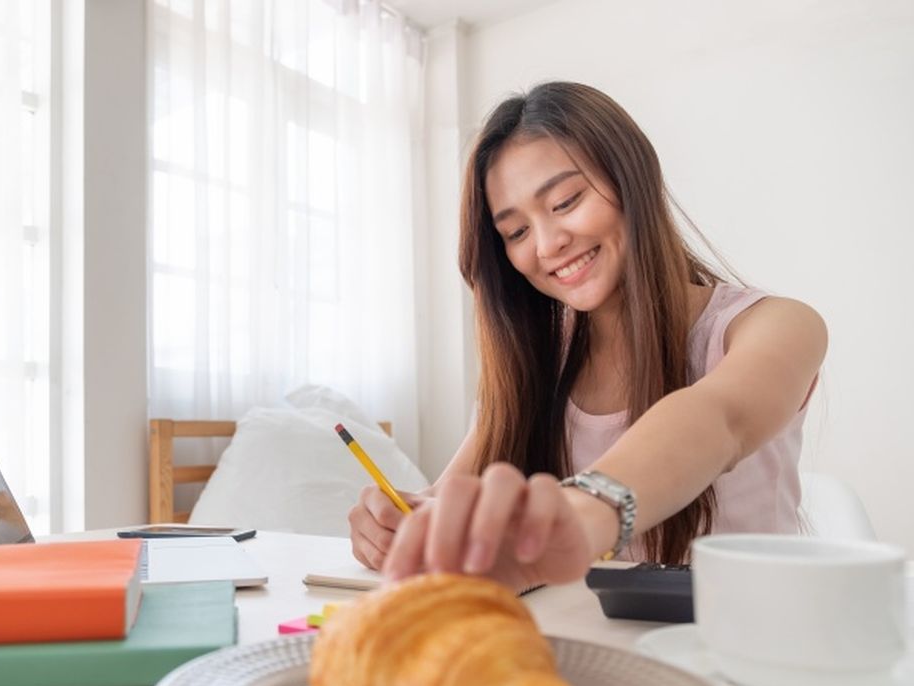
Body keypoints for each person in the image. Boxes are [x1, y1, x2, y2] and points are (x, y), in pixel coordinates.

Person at [348, 82, 826, 591]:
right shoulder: (534, 363)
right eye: (516, 233)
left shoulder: (775, 325)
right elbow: (442, 501)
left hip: (750, 645)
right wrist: (402, 526)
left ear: (631, 177)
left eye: (565, 201)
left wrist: (584, 512)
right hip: (587, 649)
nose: (549, 244)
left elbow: (719, 418)